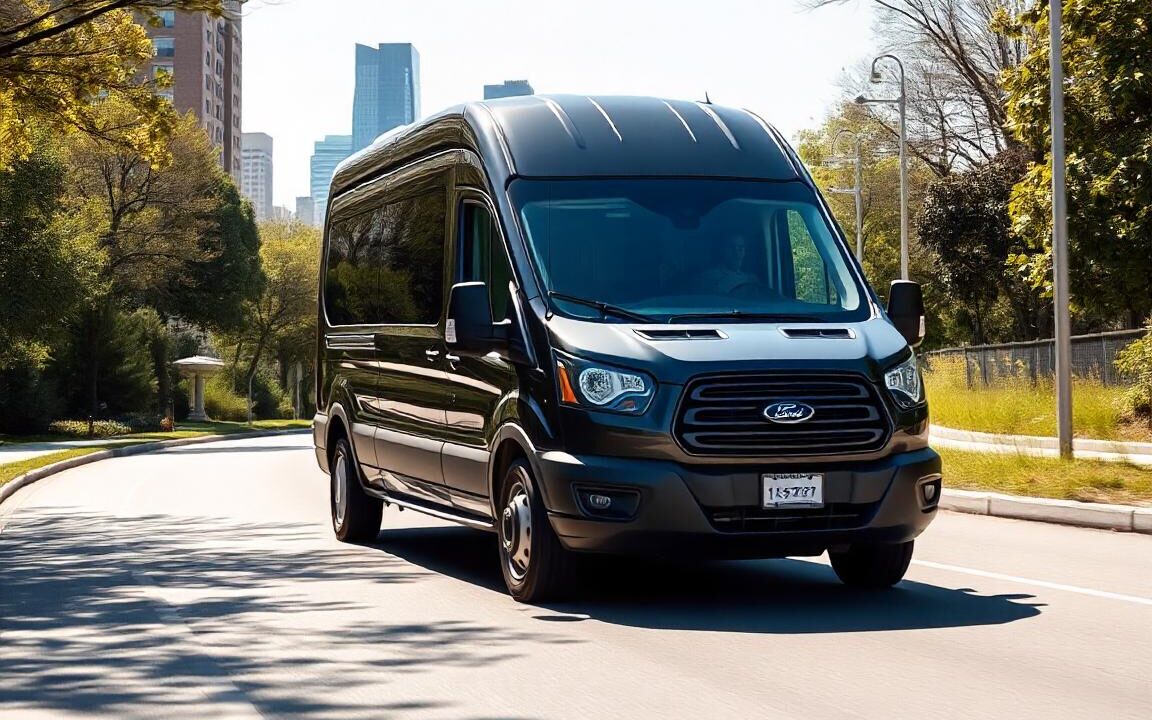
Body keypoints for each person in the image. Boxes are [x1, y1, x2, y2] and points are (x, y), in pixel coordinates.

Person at [695, 232, 759, 294]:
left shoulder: (751, 279)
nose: (736, 253)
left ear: (745, 252)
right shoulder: (708, 277)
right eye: (731, 247)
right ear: (722, 251)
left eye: (741, 248)